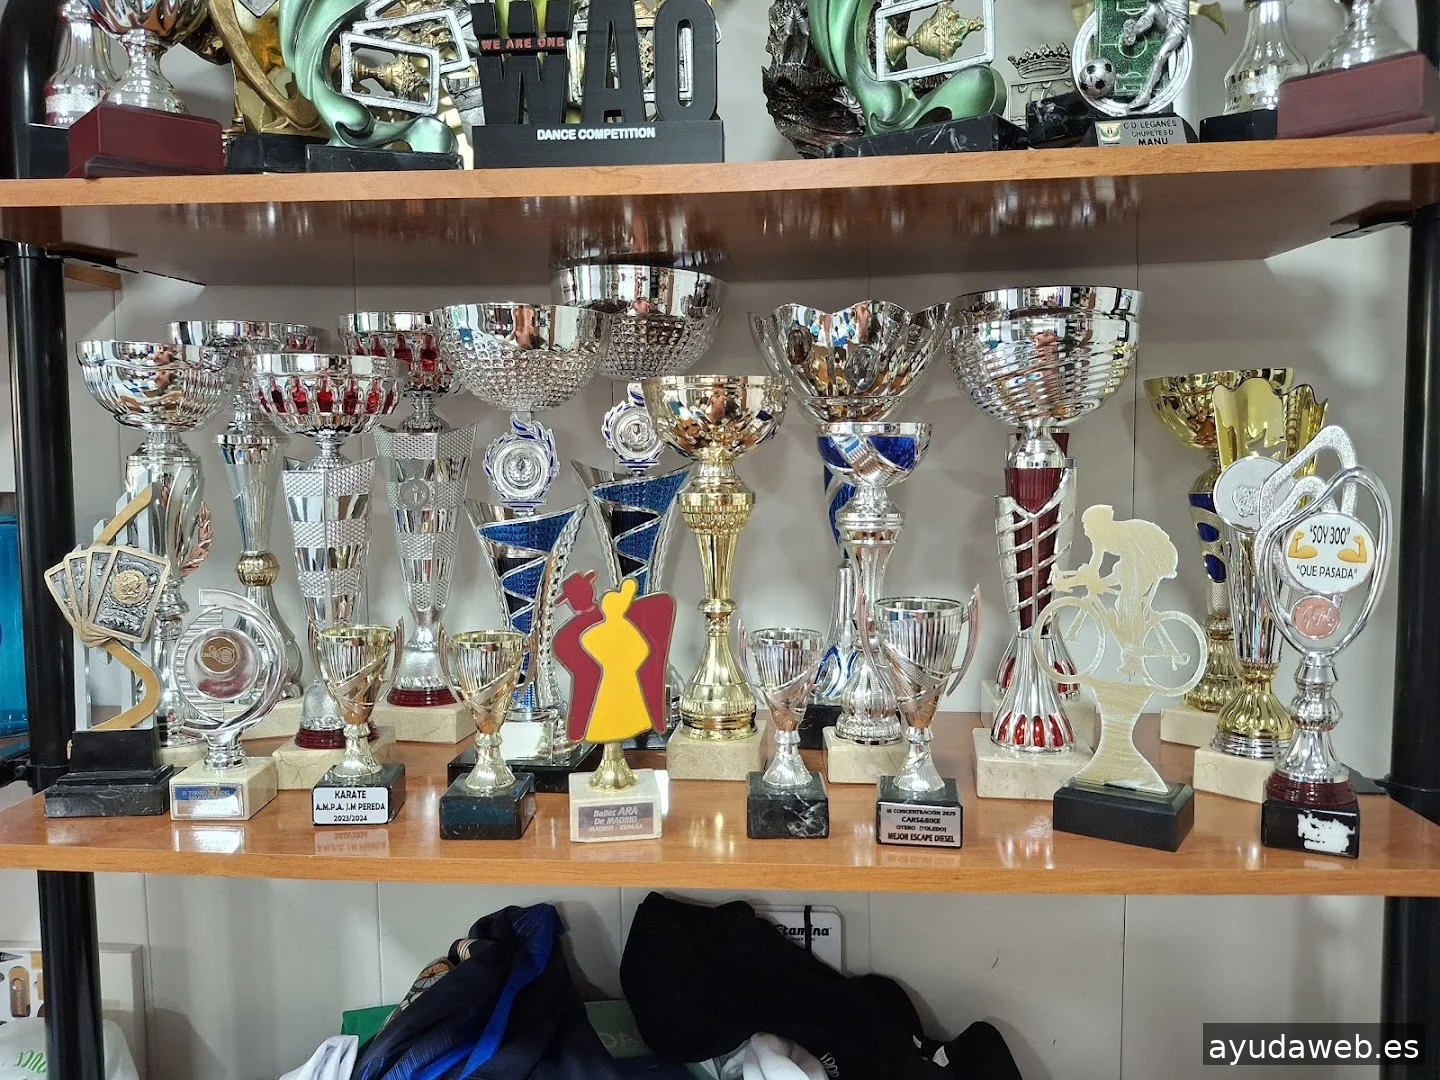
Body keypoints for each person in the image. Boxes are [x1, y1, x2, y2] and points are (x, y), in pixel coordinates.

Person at [1054, 504, 1178, 675]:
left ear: (1100, 526)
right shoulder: (1100, 540)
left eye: (1088, 527)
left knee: (1128, 602)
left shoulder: (1124, 534)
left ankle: (1133, 655)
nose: (1086, 532)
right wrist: (1068, 582)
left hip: (1160, 555)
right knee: (1122, 594)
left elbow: (1128, 570)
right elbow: (1093, 569)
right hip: (1141, 558)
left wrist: (1103, 583)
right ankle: (1130, 653)